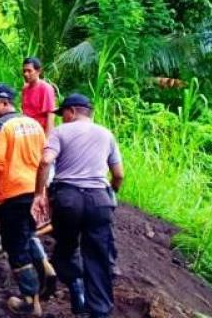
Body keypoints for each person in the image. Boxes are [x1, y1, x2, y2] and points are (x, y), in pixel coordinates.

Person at [32, 94, 124, 318]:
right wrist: (110, 193)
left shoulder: (60, 132)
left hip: (68, 199)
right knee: (98, 257)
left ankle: (76, 290)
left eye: (62, 113)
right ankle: (99, 312)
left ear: (72, 111)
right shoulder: (106, 134)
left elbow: (45, 161)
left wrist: (38, 194)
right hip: (98, 200)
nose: (61, 118)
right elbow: (119, 174)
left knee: (67, 247)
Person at [0, 83, 46, 316]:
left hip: (12, 194)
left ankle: (29, 300)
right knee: (28, 237)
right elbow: (45, 158)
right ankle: (47, 274)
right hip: (34, 192)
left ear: (4, 102)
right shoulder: (34, 124)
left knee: (15, 247)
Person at [21, 57, 56, 136]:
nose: (26, 74)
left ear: (38, 71)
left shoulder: (46, 88)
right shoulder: (25, 89)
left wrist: (47, 139)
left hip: (41, 132)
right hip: (28, 132)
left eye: (29, 71)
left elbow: (51, 114)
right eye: (24, 71)